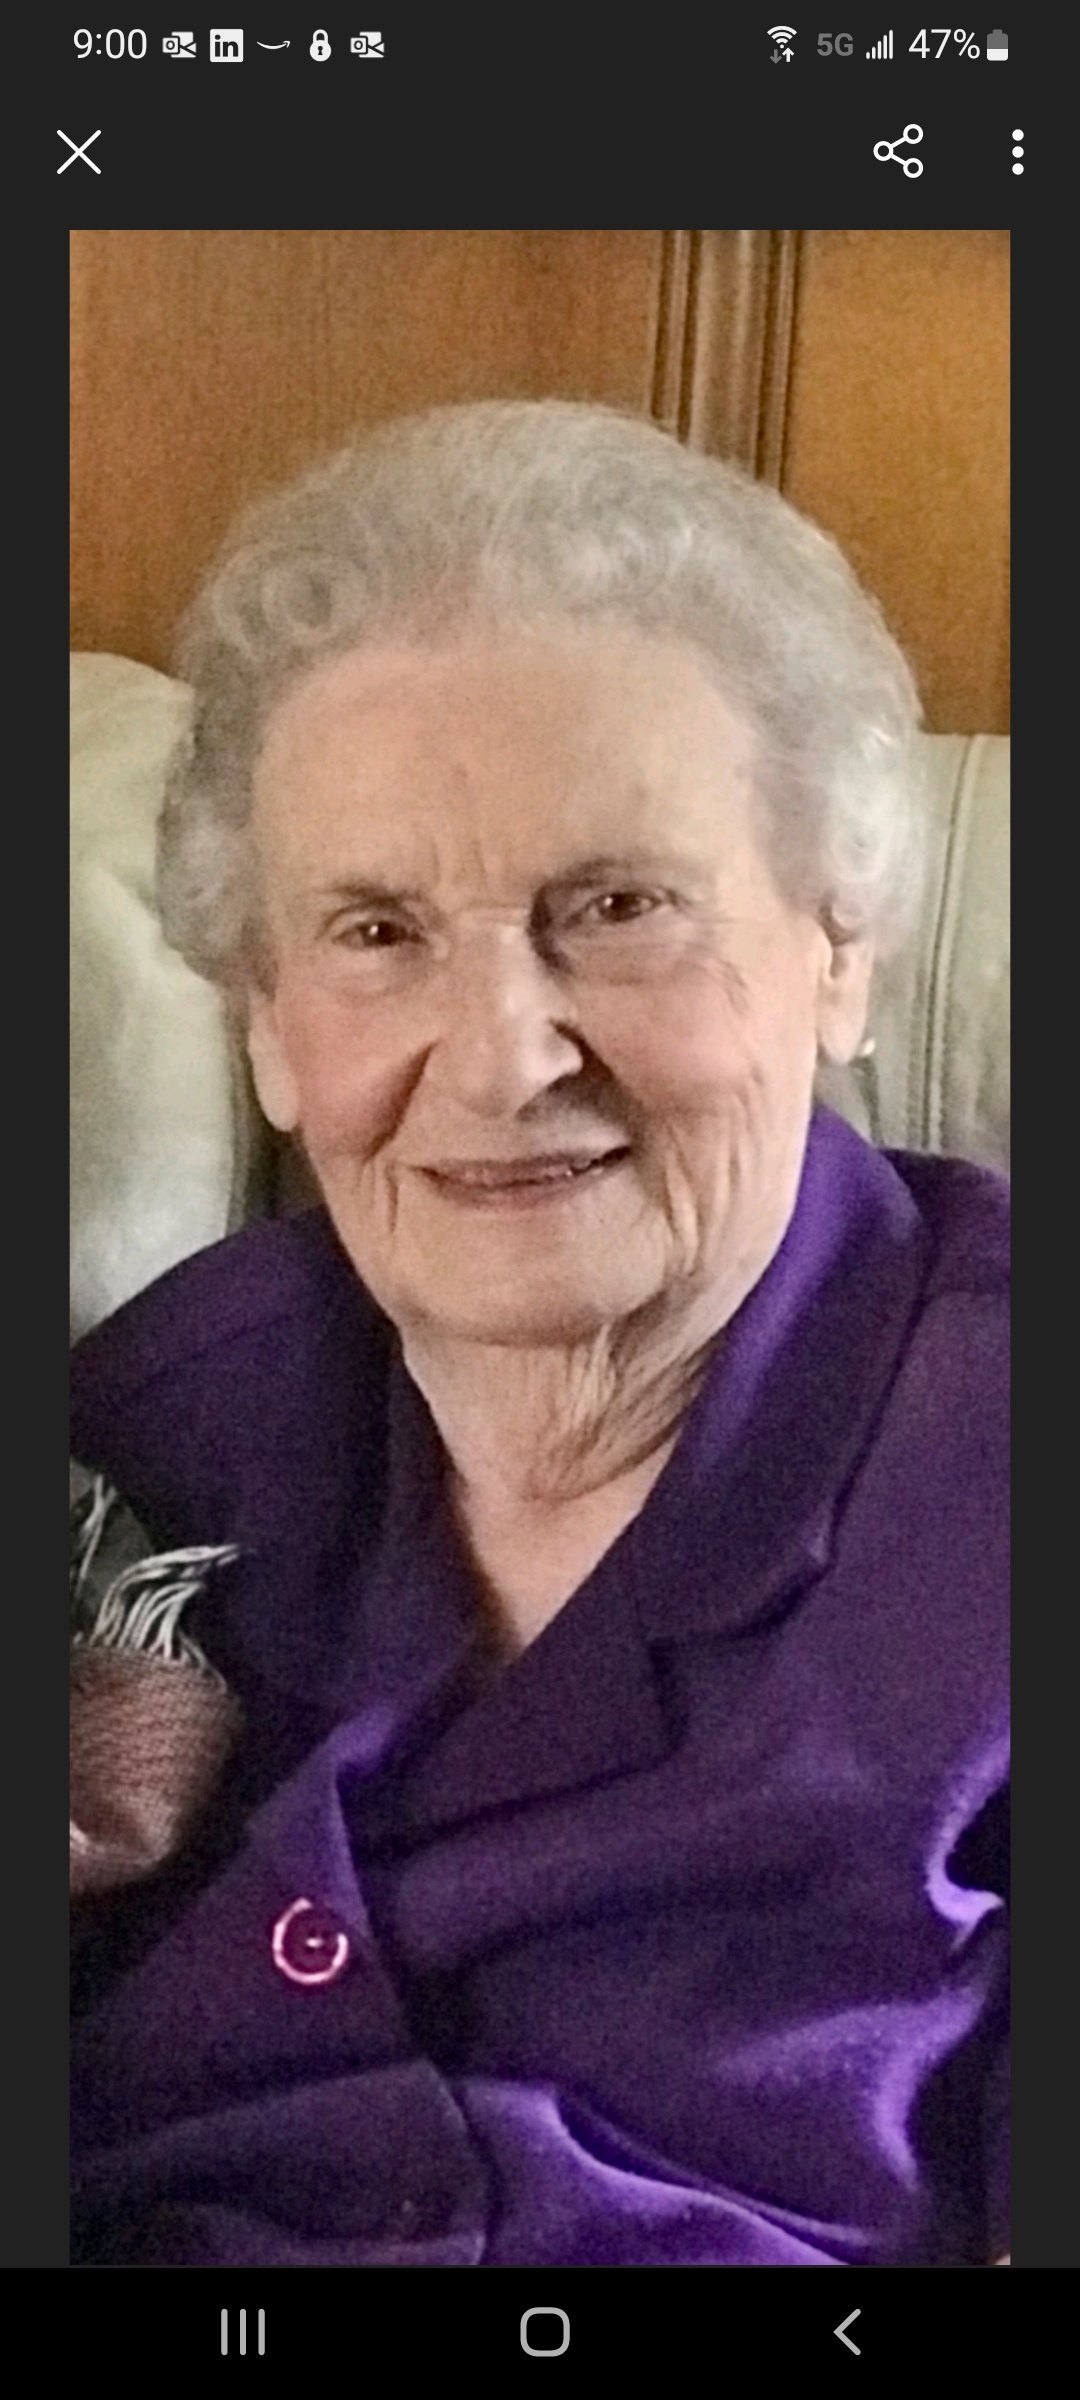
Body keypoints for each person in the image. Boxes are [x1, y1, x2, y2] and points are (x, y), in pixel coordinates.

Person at [70, 400, 1008, 2268]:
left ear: (840, 950)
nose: (503, 1058)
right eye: (375, 933)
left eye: (619, 908)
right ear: (265, 1023)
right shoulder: (163, 1428)